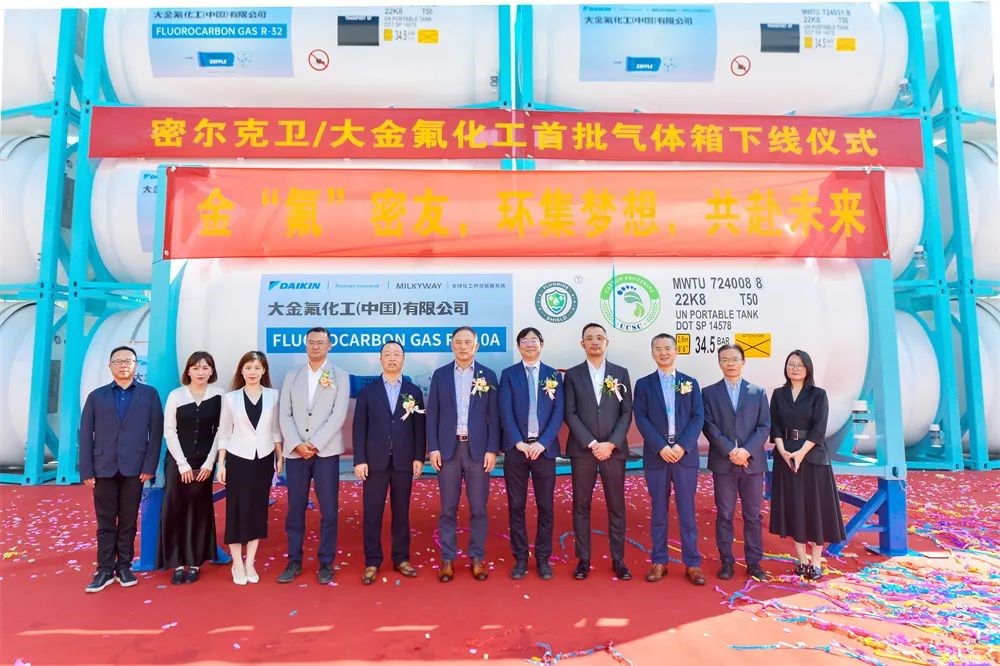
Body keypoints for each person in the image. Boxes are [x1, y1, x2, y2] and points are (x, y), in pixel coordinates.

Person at [79, 346, 164, 593]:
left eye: (129, 361)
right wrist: (87, 470)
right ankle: (105, 569)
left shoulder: (149, 395)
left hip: (135, 469)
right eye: (118, 361)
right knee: (105, 522)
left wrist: (149, 466)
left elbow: (156, 433)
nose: (124, 365)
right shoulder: (96, 396)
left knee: (128, 520)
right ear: (110, 366)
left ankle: (124, 567)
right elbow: (85, 434)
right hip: (103, 468)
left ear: (136, 365)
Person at [427, 326, 500, 582]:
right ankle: (447, 559)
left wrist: (492, 449)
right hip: (448, 450)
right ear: (452, 345)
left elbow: (494, 416)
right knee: (448, 508)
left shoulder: (488, 375)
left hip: (477, 451)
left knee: (478, 508)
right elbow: (432, 414)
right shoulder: (440, 375)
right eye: (458, 342)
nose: (463, 346)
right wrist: (433, 447)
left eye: (468, 342)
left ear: (476, 346)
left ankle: (477, 557)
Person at [277, 327, 350, 585]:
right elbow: (284, 414)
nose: (315, 346)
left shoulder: (340, 376)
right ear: (305, 345)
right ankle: (294, 560)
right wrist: (297, 444)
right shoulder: (292, 376)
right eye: (311, 342)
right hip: (296, 453)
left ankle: (326, 561)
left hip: (326, 452)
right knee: (295, 508)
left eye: (320, 342)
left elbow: (338, 414)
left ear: (329, 345)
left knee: (328, 509)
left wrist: (315, 444)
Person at [633, 333, 705, 585]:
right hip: (658, 456)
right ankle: (659, 561)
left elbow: (698, 417)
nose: (663, 352)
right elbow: (641, 418)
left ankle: (693, 563)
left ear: (676, 351)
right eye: (658, 349)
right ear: (652, 353)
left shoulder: (690, 383)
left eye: (667, 348)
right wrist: (661, 446)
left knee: (687, 511)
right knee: (659, 511)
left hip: (684, 457)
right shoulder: (643, 384)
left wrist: (682, 446)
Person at [769, 349, 846, 581]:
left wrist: (801, 453)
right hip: (786, 456)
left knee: (815, 507)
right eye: (791, 364)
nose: (794, 369)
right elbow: (774, 425)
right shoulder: (779, 394)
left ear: (808, 369)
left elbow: (819, 428)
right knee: (794, 507)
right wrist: (783, 451)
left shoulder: (818, 394)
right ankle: (801, 560)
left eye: (799, 365)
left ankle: (816, 561)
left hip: (812, 456)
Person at [564, 323, 633, 581]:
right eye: (589, 338)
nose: (595, 342)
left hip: (613, 451)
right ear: (582, 343)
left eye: (599, 338)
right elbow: (569, 413)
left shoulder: (620, 373)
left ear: (607, 342)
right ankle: (583, 559)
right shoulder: (572, 375)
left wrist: (611, 443)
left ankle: (618, 559)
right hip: (583, 451)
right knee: (581, 505)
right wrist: (593, 444)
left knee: (616, 506)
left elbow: (626, 412)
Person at [352, 341, 426, 585]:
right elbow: (359, 428)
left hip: (404, 460)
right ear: (380, 359)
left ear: (403, 359)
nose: (392, 358)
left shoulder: (414, 391)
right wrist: (360, 460)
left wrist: (419, 456)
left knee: (401, 512)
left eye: (397, 354)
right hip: (374, 462)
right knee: (372, 513)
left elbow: (419, 428)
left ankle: (401, 558)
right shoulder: (368, 392)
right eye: (387, 354)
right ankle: (372, 561)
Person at [499, 327, 564, 580]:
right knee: (516, 506)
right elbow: (505, 411)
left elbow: (558, 412)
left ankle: (543, 558)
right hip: (517, 451)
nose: (529, 344)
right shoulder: (509, 375)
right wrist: (518, 442)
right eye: (524, 341)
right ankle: (520, 558)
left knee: (545, 506)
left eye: (534, 340)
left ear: (541, 344)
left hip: (544, 451)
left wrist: (543, 443)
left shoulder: (553, 375)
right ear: (518, 347)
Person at [701, 344, 771, 581]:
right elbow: (709, 426)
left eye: (734, 359)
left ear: (743, 362)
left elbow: (764, 426)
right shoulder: (709, 393)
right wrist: (731, 450)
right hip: (724, 463)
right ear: (719, 363)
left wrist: (746, 451)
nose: (730, 363)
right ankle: (727, 561)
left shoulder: (757, 392)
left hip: (752, 464)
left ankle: (754, 563)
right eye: (725, 359)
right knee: (725, 514)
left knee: (753, 516)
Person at [157, 351, 224, 585]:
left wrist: (210, 462)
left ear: (212, 371)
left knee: (200, 509)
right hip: (178, 462)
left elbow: (221, 431)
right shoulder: (176, 395)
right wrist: (182, 463)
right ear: (188, 371)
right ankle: (176, 563)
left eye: (205, 368)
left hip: (205, 463)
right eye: (195, 368)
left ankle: (195, 562)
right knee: (175, 508)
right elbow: (169, 431)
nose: (200, 372)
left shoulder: (219, 395)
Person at [216, 351, 283, 586]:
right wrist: (221, 463)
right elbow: (224, 432)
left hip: (263, 458)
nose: (252, 372)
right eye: (248, 367)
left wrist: (279, 456)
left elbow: (275, 429)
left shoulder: (274, 396)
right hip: (238, 458)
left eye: (257, 368)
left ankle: (250, 562)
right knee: (236, 510)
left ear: (264, 371)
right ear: (241, 371)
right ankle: (237, 563)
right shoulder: (230, 398)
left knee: (257, 510)